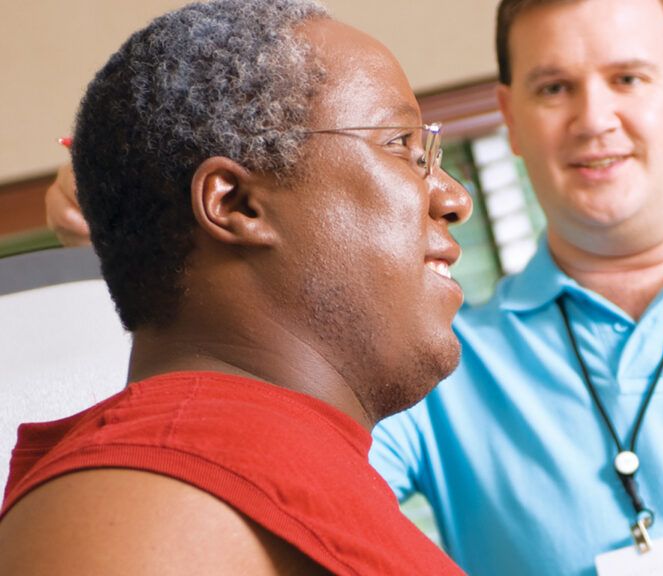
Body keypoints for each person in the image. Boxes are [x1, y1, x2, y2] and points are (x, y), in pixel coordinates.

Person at [40, 0, 663, 575]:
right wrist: (144, 218)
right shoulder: (424, 350)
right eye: (555, 88)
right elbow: (245, 458)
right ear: (509, 117)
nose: (593, 118)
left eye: (628, 80)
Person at [0, 0, 472, 574]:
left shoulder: (268, 474)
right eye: (403, 146)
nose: (454, 199)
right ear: (237, 204)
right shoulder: (148, 507)